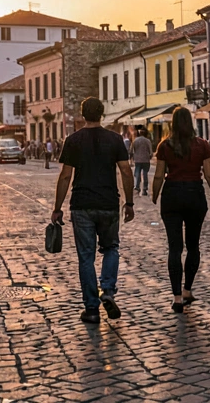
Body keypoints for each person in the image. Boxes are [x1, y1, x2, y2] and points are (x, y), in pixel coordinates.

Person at [52, 97, 133, 324]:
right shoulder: (115, 140)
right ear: (102, 114)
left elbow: (66, 175)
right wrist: (130, 202)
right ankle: (107, 289)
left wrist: (57, 208)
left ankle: (91, 309)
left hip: (82, 204)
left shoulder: (73, 140)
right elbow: (126, 172)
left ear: (83, 114)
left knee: (86, 257)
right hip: (108, 202)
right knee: (111, 248)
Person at [150, 108, 210, 312]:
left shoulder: (165, 145)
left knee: (174, 248)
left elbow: (158, 175)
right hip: (194, 194)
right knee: (193, 245)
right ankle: (188, 289)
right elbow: (209, 175)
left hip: (171, 195)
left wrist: (156, 194)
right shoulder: (202, 145)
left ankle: (177, 297)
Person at [130, 127, 153, 195]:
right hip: (146, 160)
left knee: (137, 173)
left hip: (137, 160)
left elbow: (131, 150)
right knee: (145, 174)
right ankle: (144, 190)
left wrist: (131, 157)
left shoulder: (135, 140)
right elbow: (151, 152)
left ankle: (137, 187)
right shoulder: (147, 141)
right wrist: (150, 157)